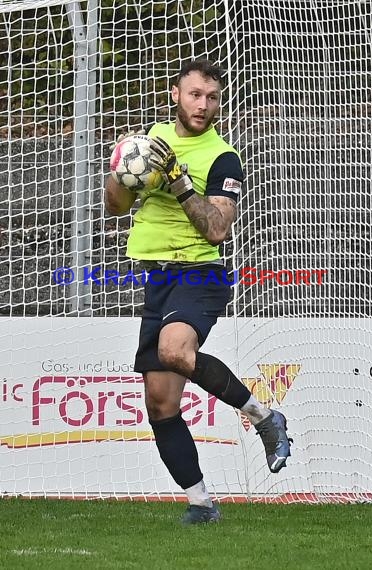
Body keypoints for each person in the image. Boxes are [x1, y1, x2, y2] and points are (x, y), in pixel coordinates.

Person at [105, 58, 292, 524]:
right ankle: (201, 502)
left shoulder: (223, 157)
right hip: (157, 279)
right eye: (194, 95)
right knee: (161, 403)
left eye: (211, 97)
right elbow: (115, 207)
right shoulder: (150, 142)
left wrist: (180, 181)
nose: (203, 105)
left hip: (200, 274)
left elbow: (217, 230)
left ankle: (264, 417)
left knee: (174, 349)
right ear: (175, 94)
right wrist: (121, 170)